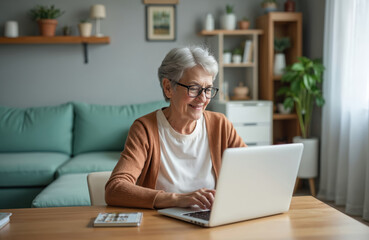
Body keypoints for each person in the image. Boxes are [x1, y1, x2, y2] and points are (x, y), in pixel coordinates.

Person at [105, 46, 246, 210]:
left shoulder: (220, 125)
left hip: (209, 224)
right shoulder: (145, 129)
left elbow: (251, 170)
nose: (203, 98)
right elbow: (114, 189)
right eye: (194, 88)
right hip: (161, 227)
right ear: (168, 87)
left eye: (208, 89)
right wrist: (177, 199)